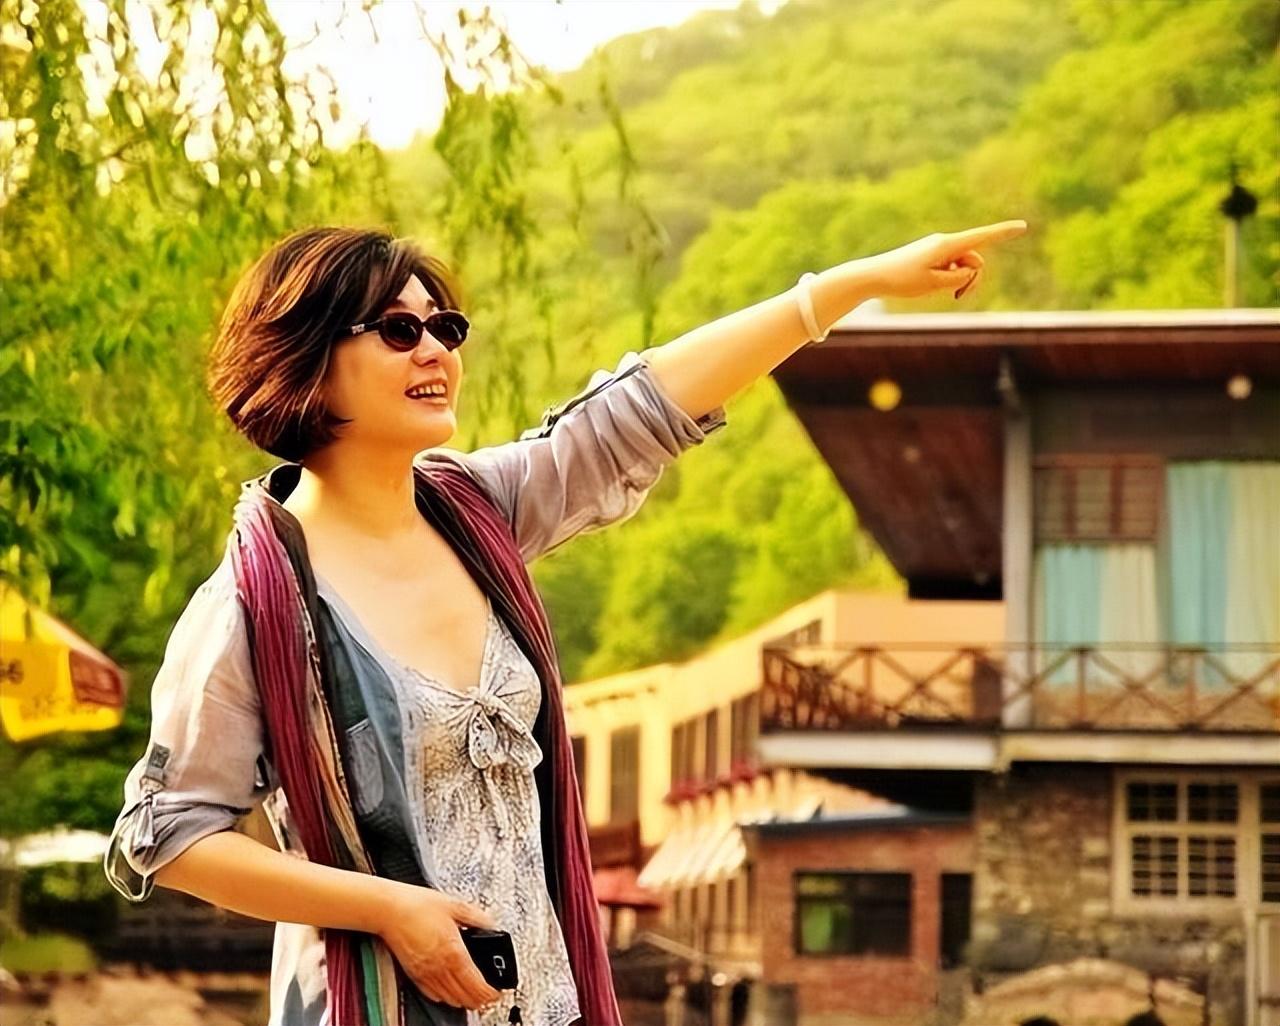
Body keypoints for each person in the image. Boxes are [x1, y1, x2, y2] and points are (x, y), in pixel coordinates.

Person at [103, 220, 1026, 1026]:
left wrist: (853, 285)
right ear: (306, 358)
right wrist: (389, 910)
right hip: (373, 1004)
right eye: (398, 330)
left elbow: (640, 408)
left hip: (545, 1000)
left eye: (445, 327)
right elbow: (173, 836)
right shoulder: (252, 604)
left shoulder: (477, 514)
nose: (435, 352)